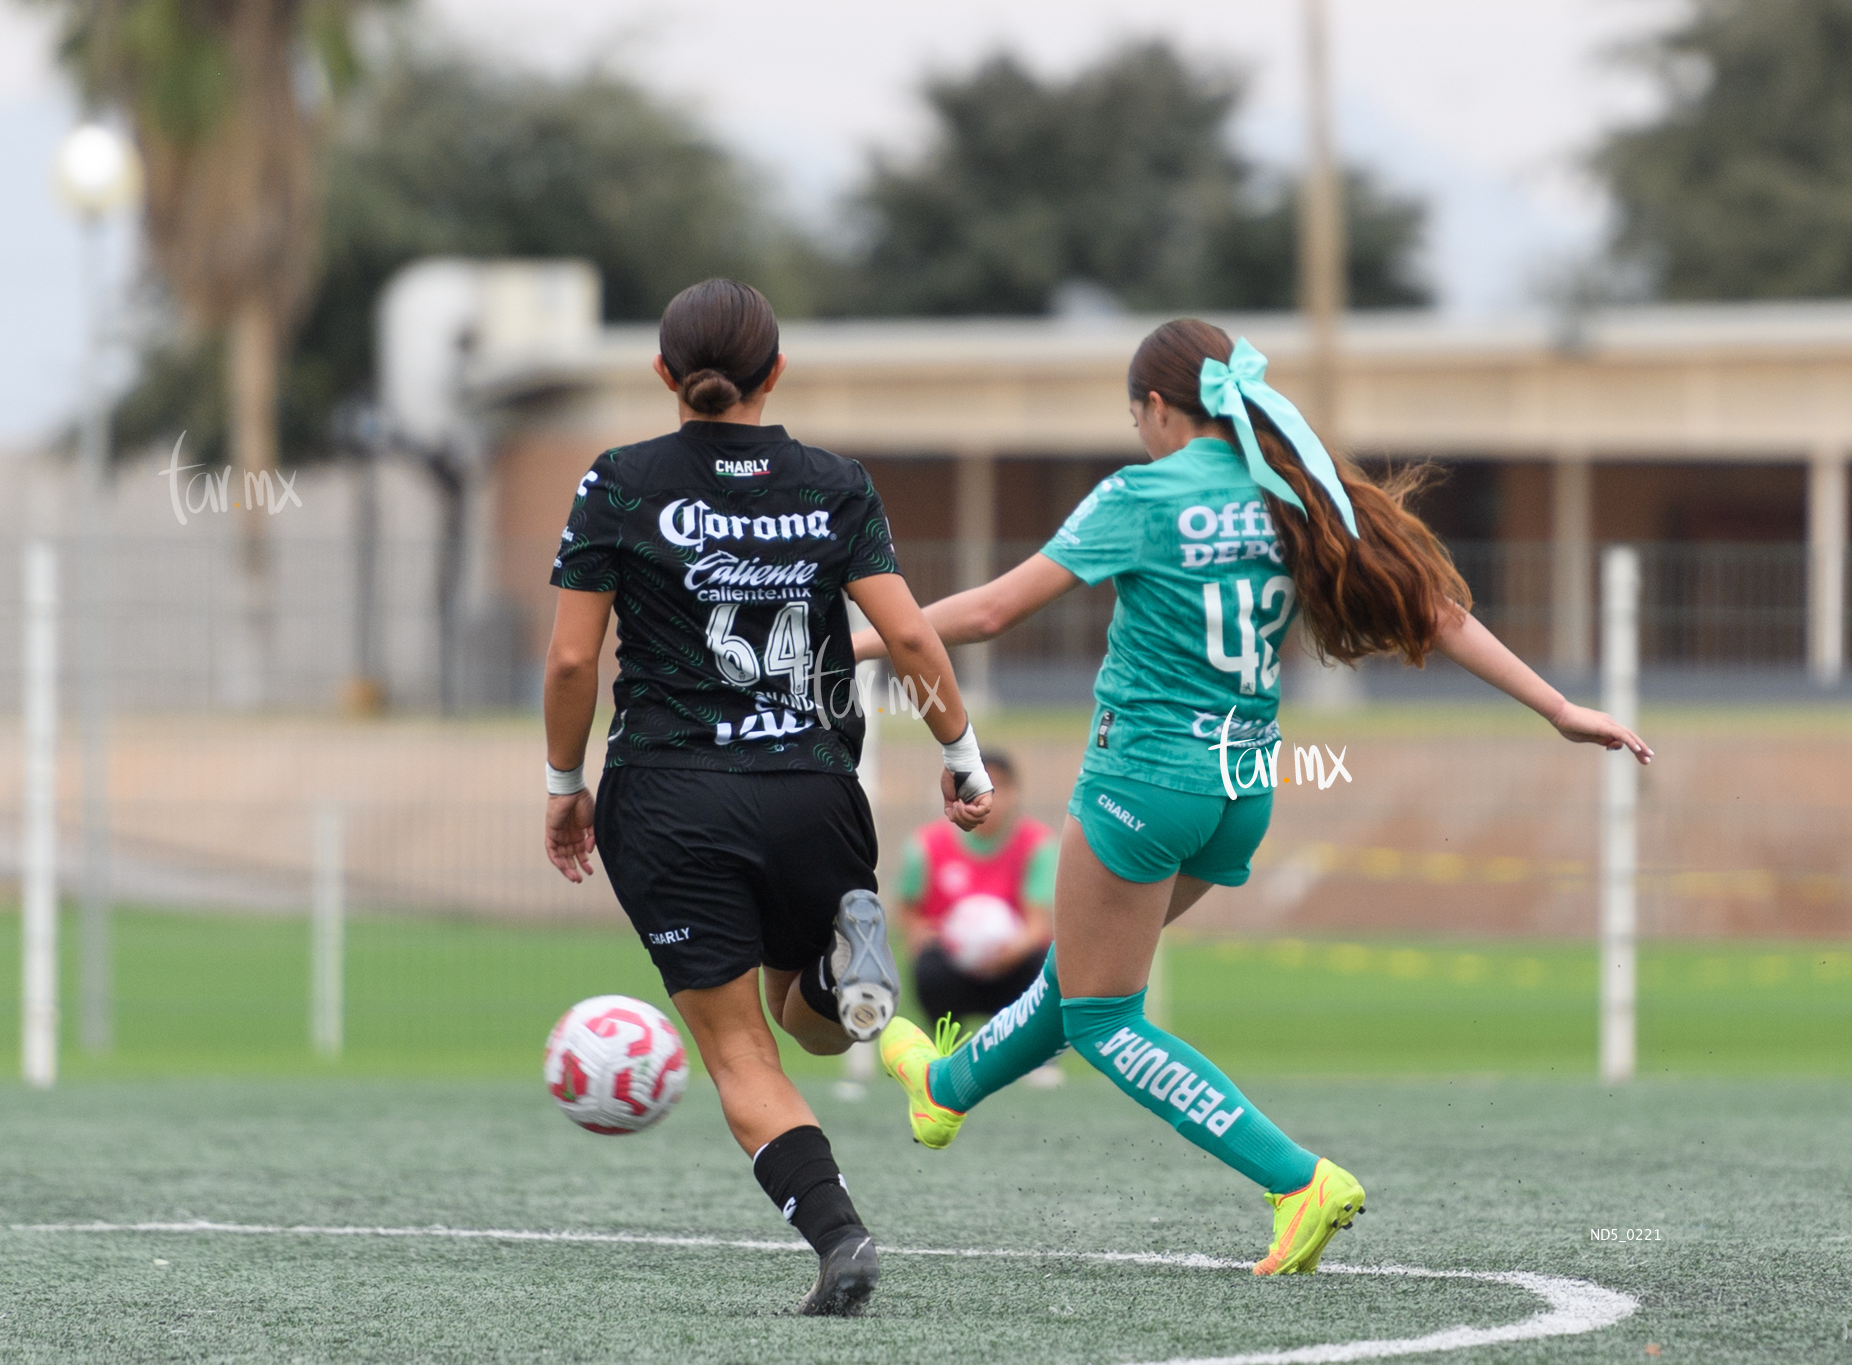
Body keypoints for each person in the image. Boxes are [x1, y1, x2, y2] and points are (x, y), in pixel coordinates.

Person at [856, 318, 1652, 1276]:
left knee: (1105, 1016)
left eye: (1137, 417)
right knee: (1081, 976)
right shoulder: (1296, 493)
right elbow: (1435, 611)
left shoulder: (1142, 494)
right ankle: (942, 1088)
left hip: (1142, 785)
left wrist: (863, 641)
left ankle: (1294, 1177)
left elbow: (986, 612)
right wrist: (1560, 705)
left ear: (1157, 407)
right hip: (1241, 788)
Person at [542, 279, 993, 1318]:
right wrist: (961, 754)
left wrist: (566, 785)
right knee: (817, 1027)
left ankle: (838, 1240)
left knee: (744, 1047)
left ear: (663, 376)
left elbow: (572, 660)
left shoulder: (618, 482)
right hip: (813, 790)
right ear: (774, 374)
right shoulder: (833, 482)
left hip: (668, 798)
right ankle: (845, 965)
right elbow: (915, 639)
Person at [896, 751, 1057, 1035]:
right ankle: (946, 1045)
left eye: (1000, 788)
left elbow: (1038, 923)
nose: (990, 799)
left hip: (1015, 967)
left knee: (1045, 962)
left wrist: (1010, 950)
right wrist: (923, 934)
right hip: (952, 968)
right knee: (928, 965)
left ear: (1014, 793)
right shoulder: (926, 845)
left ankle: (1038, 1055)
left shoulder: (1038, 845)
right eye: (979, 786)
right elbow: (909, 912)